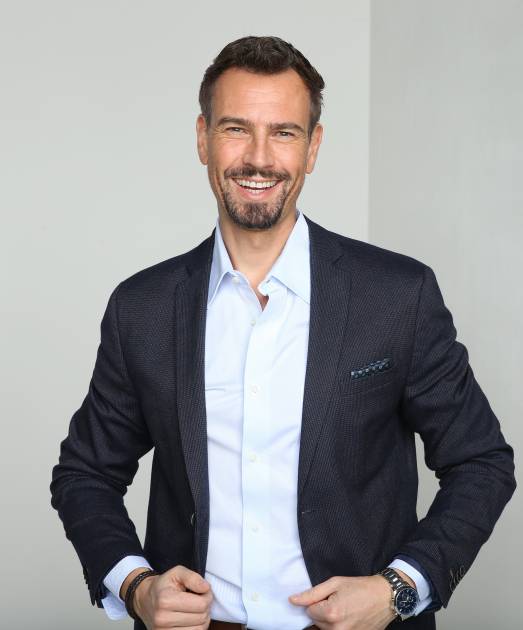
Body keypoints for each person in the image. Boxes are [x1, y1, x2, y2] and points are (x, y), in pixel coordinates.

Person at [50, 36, 516, 630]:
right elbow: (85, 473)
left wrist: (397, 590)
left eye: (284, 133)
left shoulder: (398, 295)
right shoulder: (142, 308)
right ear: (203, 138)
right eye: (236, 129)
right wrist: (136, 587)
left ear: (313, 147)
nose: (259, 158)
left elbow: (481, 461)